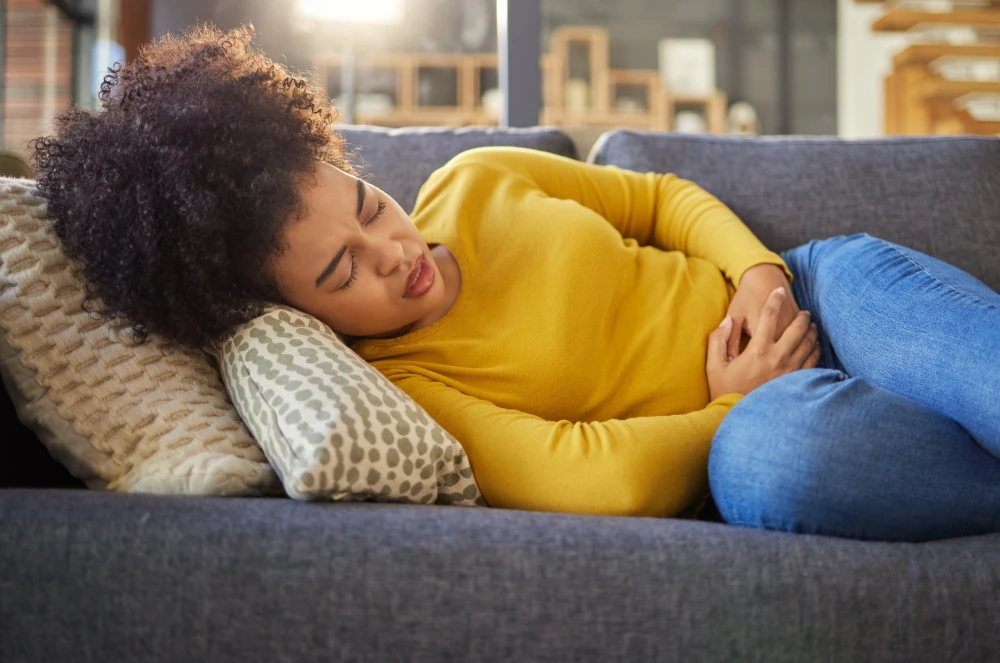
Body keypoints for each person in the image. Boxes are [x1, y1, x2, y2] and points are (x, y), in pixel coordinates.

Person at [30, 23, 1000, 542]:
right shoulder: (412, 389)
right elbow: (601, 480)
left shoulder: (480, 177)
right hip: (750, 429)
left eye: (368, 208)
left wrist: (755, 278)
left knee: (903, 309)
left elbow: (660, 198)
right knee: (781, 464)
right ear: (289, 310)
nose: (392, 254)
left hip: (814, 292)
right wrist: (727, 407)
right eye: (341, 272)